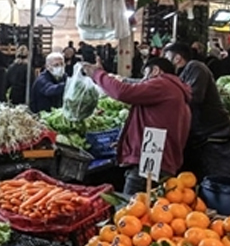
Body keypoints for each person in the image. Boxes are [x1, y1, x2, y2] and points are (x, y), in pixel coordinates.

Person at [82, 57, 192, 195]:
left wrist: (98, 74)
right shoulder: (175, 92)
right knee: (150, 210)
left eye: (145, 75)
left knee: (132, 210)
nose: (143, 80)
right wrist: (127, 142)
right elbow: (154, 122)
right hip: (162, 161)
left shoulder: (162, 85)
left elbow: (122, 92)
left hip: (149, 164)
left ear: (155, 71)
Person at [163, 42, 230, 179]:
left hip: (215, 136)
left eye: (167, 57)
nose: (165, 62)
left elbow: (194, 96)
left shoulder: (195, 67)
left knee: (218, 181)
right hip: (200, 135)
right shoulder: (180, 75)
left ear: (177, 58)